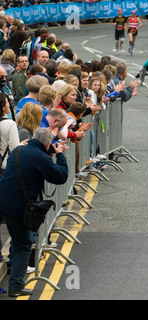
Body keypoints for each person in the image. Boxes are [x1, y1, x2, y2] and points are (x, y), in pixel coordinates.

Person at [0, 127, 68, 297]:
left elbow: (30, 160)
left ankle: (12, 270)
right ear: (47, 143)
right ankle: (15, 285)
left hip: (5, 200)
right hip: (18, 206)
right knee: (24, 245)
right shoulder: (39, 156)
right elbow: (60, 176)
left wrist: (49, 151)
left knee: (18, 239)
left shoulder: (19, 149)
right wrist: (59, 155)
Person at [0, 92, 20, 175]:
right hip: (4, 166)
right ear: (3, 108)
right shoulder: (10, 124)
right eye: (7, 102)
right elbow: (15, 149)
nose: (9, 104)